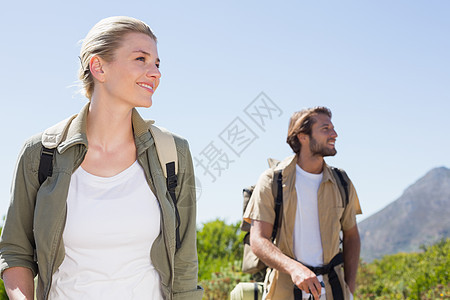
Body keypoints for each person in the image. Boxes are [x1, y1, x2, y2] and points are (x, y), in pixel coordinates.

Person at [0, 16, 202, 300]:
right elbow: (16, 251)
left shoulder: (172, 153)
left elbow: (184, 262)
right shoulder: (40, 155)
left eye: (157, 63)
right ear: (99, 67)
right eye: (141, 59)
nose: (155, 72)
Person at [243, 107, 362, 300]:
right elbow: (258, 240)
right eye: (326, 128)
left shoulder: (342, 182)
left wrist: (349, 287)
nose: (335, 134)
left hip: (334, 290)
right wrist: (294, 269)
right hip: (284, 290)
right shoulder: (272, 181)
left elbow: (352, 236)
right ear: (302, 136)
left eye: (333, 128)